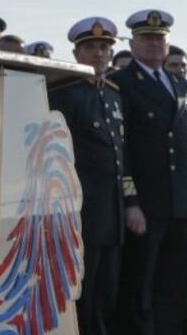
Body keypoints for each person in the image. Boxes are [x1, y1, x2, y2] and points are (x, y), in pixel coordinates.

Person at [111, 9, 187, 335]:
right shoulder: (120, 83)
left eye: (160, 38)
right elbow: (120, 150)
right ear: (133, 42)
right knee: (141, 288)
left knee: (174, 288)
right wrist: (131, 201)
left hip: (182, 204)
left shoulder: (181, 85)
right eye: (146, 38)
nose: (154, 44)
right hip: (147, 206)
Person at [48, 17, 134, 335]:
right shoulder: (64, 93)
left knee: (106, 293)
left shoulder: (113, 93)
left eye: (104, 47)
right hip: (79, 209)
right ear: (76, 52)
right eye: (90, 47)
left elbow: (120, 155)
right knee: (81, 291)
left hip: (111, 211)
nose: (98, 54)